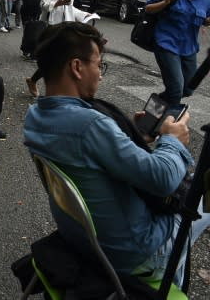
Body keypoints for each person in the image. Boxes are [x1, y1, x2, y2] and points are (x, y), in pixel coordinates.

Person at [23, 22, 210, 286]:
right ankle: (166, 281)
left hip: (83, 240)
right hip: (133, 254)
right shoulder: (89, 125)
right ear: (77, 67)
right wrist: (171, 139)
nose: (100, 74)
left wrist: (131, 134)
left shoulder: (36, 116)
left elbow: (91, 153)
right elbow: (163, 179)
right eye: (99, 65)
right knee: (200, 195)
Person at [144, 0, 210, 108]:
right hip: (166, 44)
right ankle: (162, 125)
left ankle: (153, 110)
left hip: (189, 48)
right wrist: (165, 1)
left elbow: (206, 19)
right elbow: (148, 8)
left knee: (187, 89)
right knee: (175, 90)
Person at [25, 0, 79, 97]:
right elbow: (43, 5)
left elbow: (71, 8)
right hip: (52, 27)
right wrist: (57, 3)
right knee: (55, 59)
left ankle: (38, 82)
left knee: (59, 59)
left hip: (68, 26)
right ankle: (47, 86)